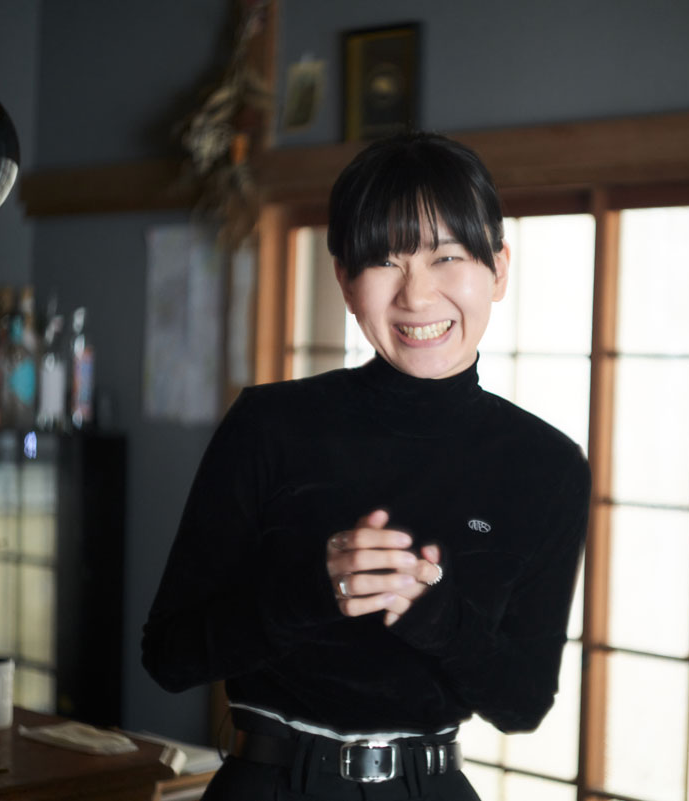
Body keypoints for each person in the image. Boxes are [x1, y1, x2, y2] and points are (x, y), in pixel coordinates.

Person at [142, 132, 591, 801]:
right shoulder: (269, 425)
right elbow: (170, 656)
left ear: (498, 268)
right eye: (384, 261)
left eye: (447, 257)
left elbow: (522, 702)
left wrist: (434, 614)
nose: (417, 296)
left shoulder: (547, 466)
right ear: (345, 280)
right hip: (270, 783)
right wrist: (316, 590)